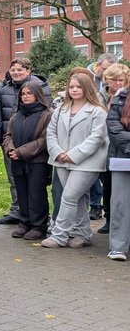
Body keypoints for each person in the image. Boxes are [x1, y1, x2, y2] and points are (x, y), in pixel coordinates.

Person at [42, 73, 109, 249]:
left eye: (78, 87)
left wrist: (73, 154)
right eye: (71, 87)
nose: (74, 90)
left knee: (69, 196)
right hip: (61, 160)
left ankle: (59, 236)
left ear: (87, 88)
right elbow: (51, 133)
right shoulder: (60, 110)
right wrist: (58, 152)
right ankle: (83, 234)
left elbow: (97, 138)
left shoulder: (97, 111)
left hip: (88, 162)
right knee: (76, 198)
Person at [0, 58, 50, 226]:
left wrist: (23, 150)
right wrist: (7, 146)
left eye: (20, 69)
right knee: (15, 183)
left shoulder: (42, 91)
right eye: (13, 70)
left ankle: (38, 221)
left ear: (28, 71)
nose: (16, 72)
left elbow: (45, 128)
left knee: (35, 188)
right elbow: (0, 120)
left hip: (35, 152)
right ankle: (19, 213)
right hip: (12, 147)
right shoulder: (3, 90)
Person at [1, 81, 53, 240]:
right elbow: (7, 135)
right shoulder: (16, 115)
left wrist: (21, 152)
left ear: (37, 94)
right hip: (17, 160)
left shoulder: (47, 115)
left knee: (36, 193)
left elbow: (44, 140)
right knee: (21, 191)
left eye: (29, 93)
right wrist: (11, 150)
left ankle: (39, 226)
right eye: (23, 94)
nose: (25, 96)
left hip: (38, 161)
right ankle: (24, 223)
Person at [97, 64, 130, 234]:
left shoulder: (125, 98)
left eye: (120, 80)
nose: (117, 83)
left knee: (116, 185)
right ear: (106, 80)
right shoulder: (99, 96)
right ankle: (108, 217)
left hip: (119, 146)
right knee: (107, 184)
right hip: (101, 144)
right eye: (113, 80)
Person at [106, 83, 130, 260]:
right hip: (123, 157)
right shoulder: (120, 99)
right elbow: (113, 127)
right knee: (120, 202)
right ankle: (118, 247)